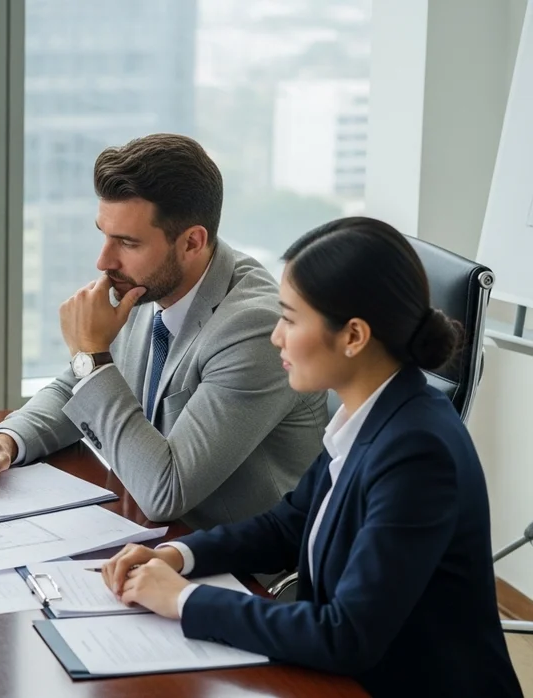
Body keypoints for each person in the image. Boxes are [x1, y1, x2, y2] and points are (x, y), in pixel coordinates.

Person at [101, 217, 521, 697]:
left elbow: (347, 634)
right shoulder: (368, 413)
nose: (276, 336)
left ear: (354, 336)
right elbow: (289, 523)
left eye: (290, 318)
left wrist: (185, 600)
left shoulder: (417, 452)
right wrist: (176, 555)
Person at [0, 133, 326, 529]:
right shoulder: (150, 286)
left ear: (192, 242)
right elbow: (74, 386)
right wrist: (7, 440)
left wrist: (93, 356)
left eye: (127, 242)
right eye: (104, 235)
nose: (103, 261)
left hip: (240, 566)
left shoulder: (254, 329)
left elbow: (167, 492)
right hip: (155, 535)